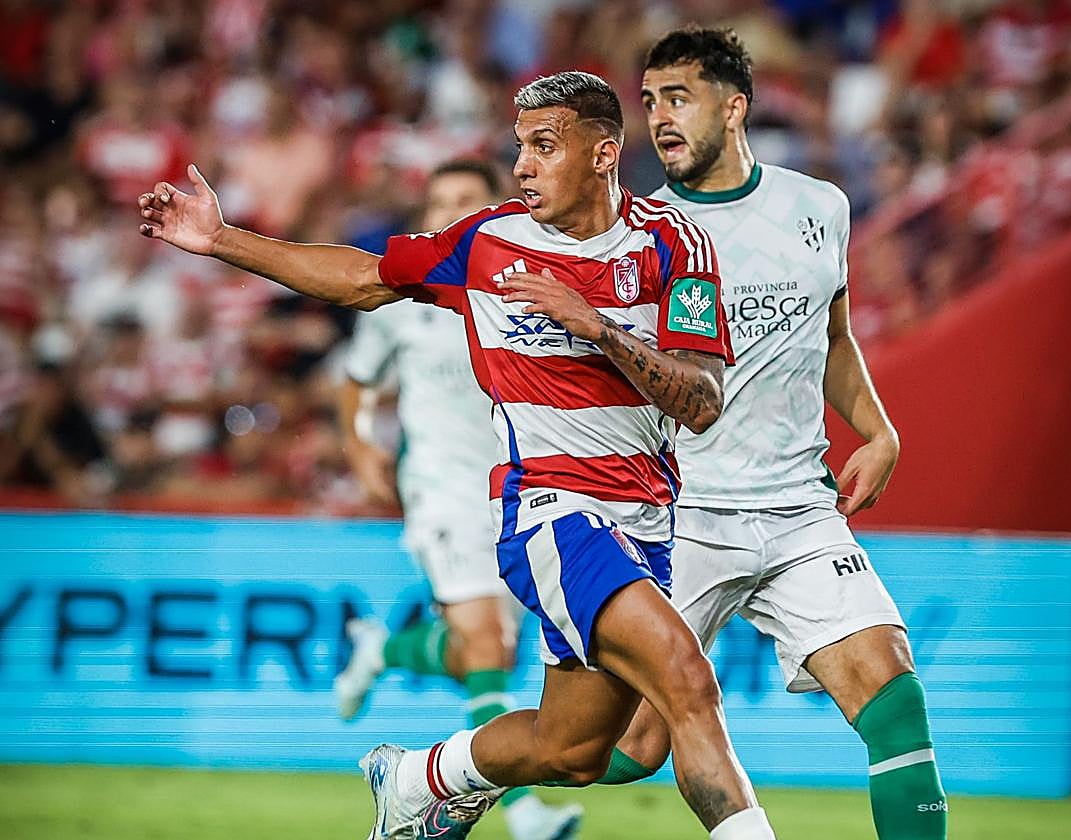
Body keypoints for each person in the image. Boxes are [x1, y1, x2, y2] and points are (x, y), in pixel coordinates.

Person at [137, 70, 777, 840]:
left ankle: (418, 777)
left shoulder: (675, 243)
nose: (523, 166)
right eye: (519, 148)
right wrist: (221, 239)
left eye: (545, 146)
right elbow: (360, 280)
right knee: (687, 681)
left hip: (646, 515)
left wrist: (598, 328)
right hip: (553, 510)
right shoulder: (488, 243)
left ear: (604, 154)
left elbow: (702, 401)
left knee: (574, 750)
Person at [577, 26, 949, 840]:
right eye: (649, 103)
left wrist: (879, 431)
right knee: (614, 748)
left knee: (895, 703)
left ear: (735, 105)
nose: (660, 118)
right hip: (681, 519)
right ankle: (458, 774)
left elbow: (835, 336)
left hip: (798, 509)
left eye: (678, 97)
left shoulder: (820, 207)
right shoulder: (637, 235)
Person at [334, 157, 583, 840]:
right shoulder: (402, 303)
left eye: (465, 199)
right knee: (485, 639)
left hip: (519, 487)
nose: (448, 212)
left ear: (495, 209)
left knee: (482, 650)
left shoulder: (521, 286)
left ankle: (383, 651)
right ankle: (523, 813)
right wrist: (359, 446)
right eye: (437, 200)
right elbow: (356, 382)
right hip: (439, 487)